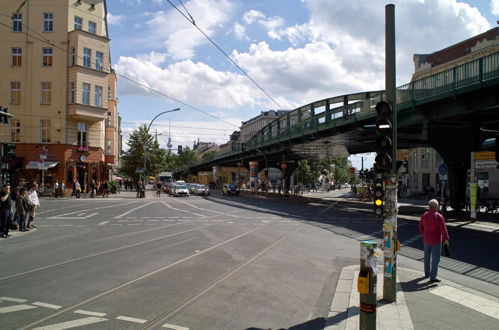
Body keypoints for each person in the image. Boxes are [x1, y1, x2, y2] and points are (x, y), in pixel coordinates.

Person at [418, 199, 450, 283]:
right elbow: (443, 229)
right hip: (436, 240)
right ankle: (433, 277)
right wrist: (446, 239)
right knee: (435, 259)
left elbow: (420, 227)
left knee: (426, 257)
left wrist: (423, 233)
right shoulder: (439, 216)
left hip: (426, 239)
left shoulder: (424, 215)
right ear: (436, 207)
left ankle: (426, 273)